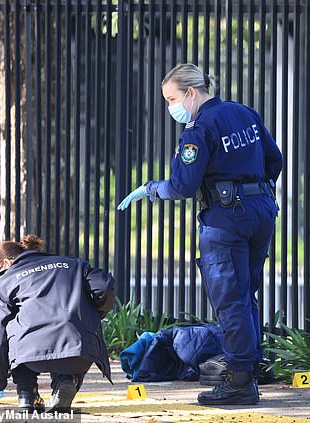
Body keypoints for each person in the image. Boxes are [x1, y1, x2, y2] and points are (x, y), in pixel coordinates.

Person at [117, 63, 283, 405]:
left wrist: (150, 189)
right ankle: (250, 367)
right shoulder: (243, 112)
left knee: (229, 298)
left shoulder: (199, 127)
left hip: (225, 219)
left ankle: (238, 380)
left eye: (172, 98)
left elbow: (183, 185)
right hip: (260, 209)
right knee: (245, 292)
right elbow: (274, 160)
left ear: (191, 93)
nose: (170, 107)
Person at [0, 234, 115, 412]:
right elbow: (104, 287)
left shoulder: (5, 280)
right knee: (72, 333)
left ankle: (26, 393)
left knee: (16, 326)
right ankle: (66, 381)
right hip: (77, 349)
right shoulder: (75, 265)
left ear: (6, 263)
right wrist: (95, 313)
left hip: (27, 354)